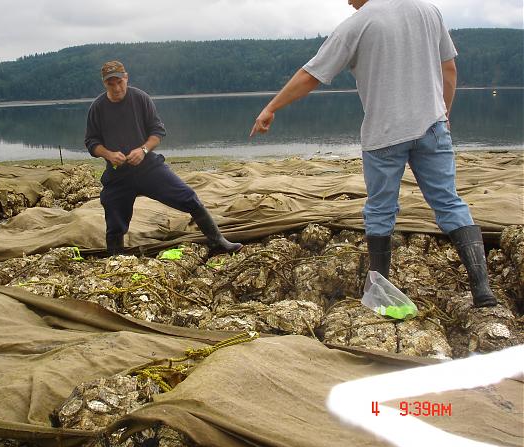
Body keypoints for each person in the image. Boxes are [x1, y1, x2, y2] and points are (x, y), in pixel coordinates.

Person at [250, 0, 497, 307]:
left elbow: (310, 75)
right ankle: (482, 291)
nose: (344, 1)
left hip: (384, 136)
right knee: (449, 202)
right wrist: (444, 113)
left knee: (380, 211)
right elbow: (449, 68)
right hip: (433, 127)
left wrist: (271, 107)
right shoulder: (427, 10)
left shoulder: (357, 24)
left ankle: (378, 293)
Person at [85, 60, 242, 256]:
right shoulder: (97, 108)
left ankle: (218, 240)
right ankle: (116, 257)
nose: (116, 87)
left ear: (126, 78)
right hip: (118, 174)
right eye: (111, 83)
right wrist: (108, 154)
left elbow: (157, 132)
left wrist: (142, 150)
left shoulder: (140, 98)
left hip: (148, 167)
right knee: (114, 218)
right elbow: (91, 142)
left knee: (189, 197)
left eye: (119, 82)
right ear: (104, 83)